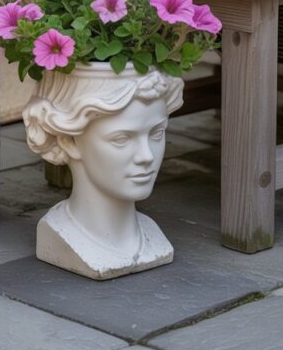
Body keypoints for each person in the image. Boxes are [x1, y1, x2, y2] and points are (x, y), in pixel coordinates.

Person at [24, 65, 184, 279]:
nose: (146, 156)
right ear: (69, 142)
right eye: (122, 139)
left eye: (156, 133)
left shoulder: (151, 235)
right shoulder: (59, 233)